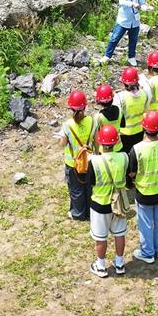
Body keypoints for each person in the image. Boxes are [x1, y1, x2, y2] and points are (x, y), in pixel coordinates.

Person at [127, 111, 158, 264]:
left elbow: (132, 172)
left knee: (146, 223)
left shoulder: (137, 149)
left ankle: (148, 252)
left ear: (144, 127)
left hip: (144, 192)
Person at [89, 124, 130, 277]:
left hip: (100, 204)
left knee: (101, 237)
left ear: (100, 142)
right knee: (119, 234)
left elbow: (90, 181)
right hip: (119, 202)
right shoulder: (124, 157)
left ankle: (100, 266)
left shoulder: (94, 161)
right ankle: (119, 263)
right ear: (116, 141)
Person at [101, 0, 151, 66]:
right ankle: (107, 56)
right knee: (114, 38)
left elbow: (142, 3)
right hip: (123, 21)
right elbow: (122, 2)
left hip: (135, 21)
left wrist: (145, 7)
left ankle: (131, 57)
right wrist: (132, 3)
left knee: (133, 40)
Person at [59, 91, 94, 220]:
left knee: (76, 189)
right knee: (89, 187)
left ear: (71, 108)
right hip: (90, 161)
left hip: (73, 163)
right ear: (85, 106)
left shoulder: (67, 125)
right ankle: (90, 212)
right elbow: (96, 140)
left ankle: (78, 213)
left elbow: (62, 144)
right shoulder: (92, 121)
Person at [114, 67, 150, 154]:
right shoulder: (144, 93)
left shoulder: (120, 97)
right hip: (139, 131)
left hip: (124, 133)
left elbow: (117, 116)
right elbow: (146, 110)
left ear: (124, 83)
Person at [91, 84, 123, 154]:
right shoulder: (120, 110)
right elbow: (123, 125)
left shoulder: (98, 117)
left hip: (104, 149)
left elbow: (96, 134)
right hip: (118, 145)